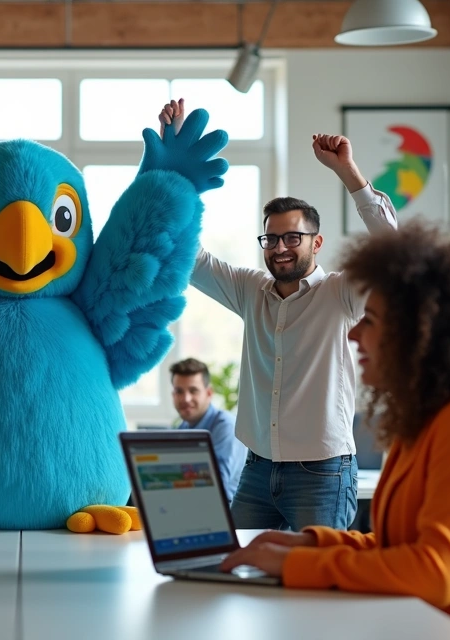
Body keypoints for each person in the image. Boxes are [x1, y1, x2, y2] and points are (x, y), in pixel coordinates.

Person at [220, 222, 450, 632]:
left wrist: (296, 564)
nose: (353, 333)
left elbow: (435, 573)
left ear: (418, 336)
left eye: (370, 320)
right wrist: (311, 542)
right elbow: (398, 546)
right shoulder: (421, 424)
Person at [161, 99, 398, 531]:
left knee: (317, 571)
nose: (280, 248)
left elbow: (391, 251)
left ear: (316, 242)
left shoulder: (340, 293)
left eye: (293, 237)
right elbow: (190, 259)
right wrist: (175, 172)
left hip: (322, 473)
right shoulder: (250, 290)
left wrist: (349, 173)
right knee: (237, 565)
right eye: (271, 239)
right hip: (257, 469)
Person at [168, 358, 244, 502]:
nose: (186, 399)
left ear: (209, 393)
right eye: (179, 391)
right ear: (173, 395)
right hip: (191, 503)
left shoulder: (225, 426)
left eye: (193, 391)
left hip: (223, 509)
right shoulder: (183, 428)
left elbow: (215, 485)